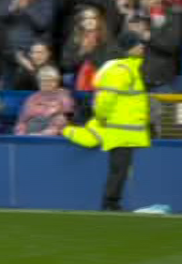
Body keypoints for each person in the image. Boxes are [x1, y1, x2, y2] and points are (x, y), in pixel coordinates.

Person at [63, 31, 151, 211]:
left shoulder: (129, 69)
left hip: (127, 131)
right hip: (121, 132)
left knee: (120, 170)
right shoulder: (121, 71)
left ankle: (111, 202)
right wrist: (102, 118)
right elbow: (105, 100)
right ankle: (110, 203)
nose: (142, 46)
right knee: (119, 170)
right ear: (129, 48)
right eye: (138, 44)